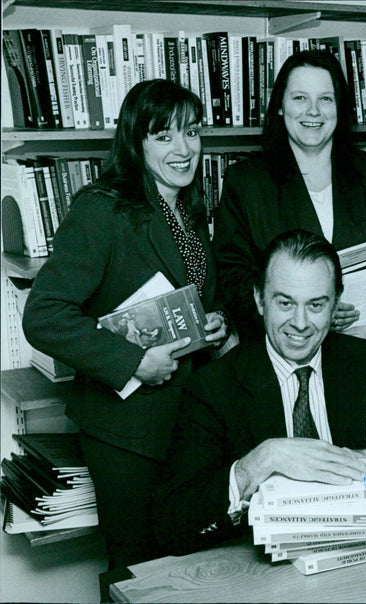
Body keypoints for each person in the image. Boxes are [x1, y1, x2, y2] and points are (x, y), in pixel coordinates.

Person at [22, 80, 228, 570]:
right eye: (164, 136)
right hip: (126, 429)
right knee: (135, 568)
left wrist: (211, 323)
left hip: (188, 420)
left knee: (185, 562)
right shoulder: (101, 209)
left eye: (192, 132)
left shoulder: (189, 210)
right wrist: (136, 362)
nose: (184, 149)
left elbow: (188, 294)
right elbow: (44, 315)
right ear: (135, 143)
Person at [154, 229, 366, 555]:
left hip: (363, 559)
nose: (300, 323)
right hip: (262, 576)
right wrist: (258, 462)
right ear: (260, 300)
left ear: (335, 305)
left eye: (316, 304)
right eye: (285, 303)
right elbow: (170, 524)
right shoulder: (214, 386)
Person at [213, 49, 366, 349]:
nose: (313, 111)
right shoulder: (245, 182)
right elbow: (232, 279)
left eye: (326, 99)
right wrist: (313, 310)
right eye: (300, 98)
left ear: (340, 107)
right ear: (281, 107)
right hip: (280, 353)